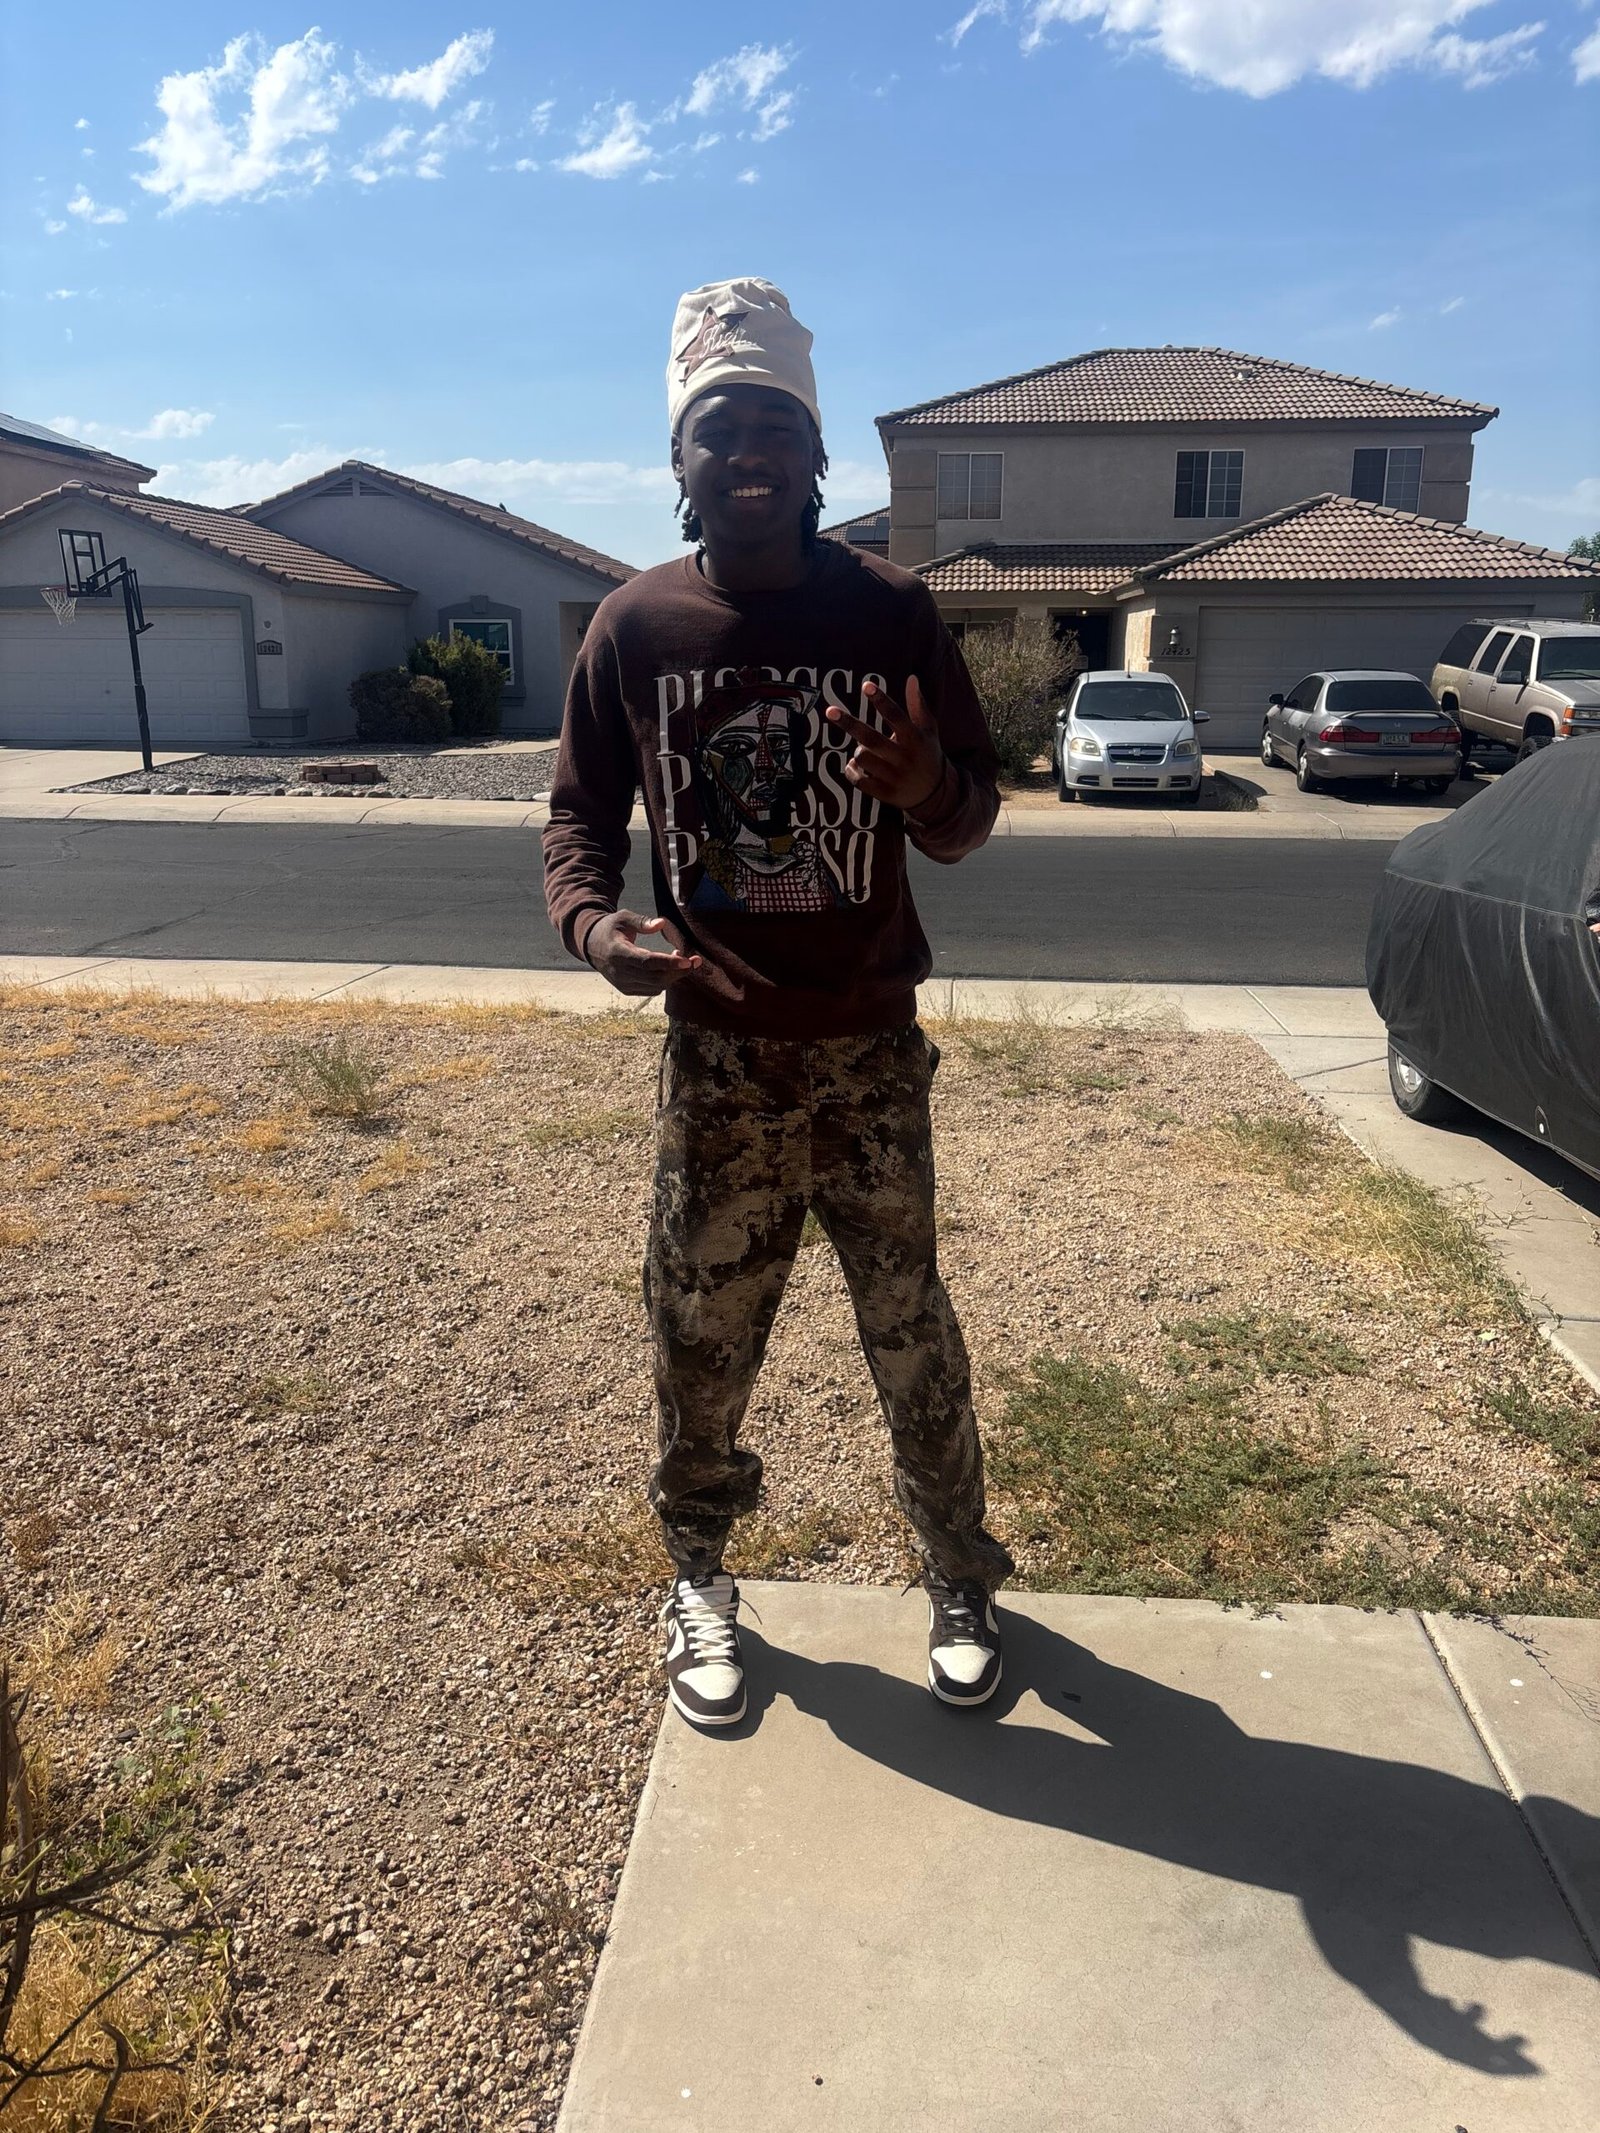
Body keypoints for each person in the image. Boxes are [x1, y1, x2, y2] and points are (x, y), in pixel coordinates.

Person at [542, 277, 1013, 1730]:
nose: (749, 454)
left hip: (869, 1053)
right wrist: (595, 930)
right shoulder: (634, 626)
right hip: (722, 1062)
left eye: (777, 430)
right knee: (700, 1337)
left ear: (816, 458)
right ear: (678, 460)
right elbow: (577, 821)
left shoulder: (891, 613)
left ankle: (959, 1574)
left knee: (909, 1327)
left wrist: (922, 788)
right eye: (719, 429)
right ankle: (699, 1576)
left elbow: (971, 817)